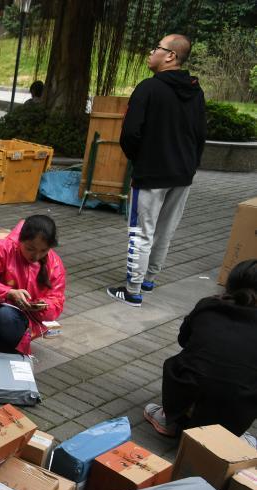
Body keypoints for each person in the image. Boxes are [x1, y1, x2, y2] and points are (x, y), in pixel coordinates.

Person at [107, 34, 206, 307]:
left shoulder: (148, 88)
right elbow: (200, 135)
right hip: (183, 174)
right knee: (165, 230)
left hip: (151, 173)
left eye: (157, 48)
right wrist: (191, 164)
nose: (151, 52)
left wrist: (140, 160)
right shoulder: (195, 91)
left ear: (171, 56)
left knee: (141, 231)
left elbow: (130, 133)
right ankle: (148, 280)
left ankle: (132, 290)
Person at [144, 260, 257, 437]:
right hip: (234, 412)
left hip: (187, 392)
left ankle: (171, 420)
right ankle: (231, 438)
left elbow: (183, 339)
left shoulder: (209, 305)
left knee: (184, 362)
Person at [0, 215, 66, 354]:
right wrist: (9, 293)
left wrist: (41, 305)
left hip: (19, 320)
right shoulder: (3, 248)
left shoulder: (54, 264)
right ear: (20, 240)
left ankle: (6, 350)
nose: (36, 256)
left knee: (5, 315)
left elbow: (57, 301)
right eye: (30, 248)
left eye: (43, 251)